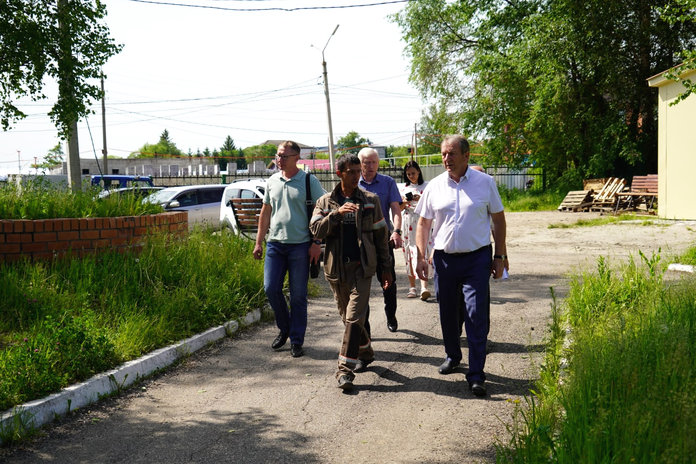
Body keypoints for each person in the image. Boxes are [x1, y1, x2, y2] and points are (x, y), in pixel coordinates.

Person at [415, 135, 508, 397]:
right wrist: (421, 256)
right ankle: (452, 355)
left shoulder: (485, 183)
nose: (447, 159)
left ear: (467, 155)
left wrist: (499, 256)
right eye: (444, 154)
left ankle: (477, 374)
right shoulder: (434, 186)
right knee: (448, 312)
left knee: (476, 315)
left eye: (452, 153)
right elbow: (423, 223)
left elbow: (499, 221)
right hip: (444, 260)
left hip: (476, 259)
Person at [310, 154, 393, 390]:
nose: (357, 176)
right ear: (339, 174)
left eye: (359, 171)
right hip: (336, 271)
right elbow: (315, 229)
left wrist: (386, 270)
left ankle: (344, 371)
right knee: (349, 320)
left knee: (355, 317)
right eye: (351, 172)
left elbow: (381, 237)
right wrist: (336, 215)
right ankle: (365, 351)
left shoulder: (370, 200)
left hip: (362, 269)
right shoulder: (325, 202)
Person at [253, 141, 324, 358]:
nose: (279, 159)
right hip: (275, 244)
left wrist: (316, 243)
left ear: (297, 158)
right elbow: (266, 212)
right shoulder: (273, 180)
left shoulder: (309, 181)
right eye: (278, 155)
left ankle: (296, 340)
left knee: (298, 296)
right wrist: (258, 242)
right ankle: (284, 328)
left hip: (301, 246)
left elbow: (322, 211)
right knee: (270, 288)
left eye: (284, 156)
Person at [357, 147, 402, 333]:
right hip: (360, 243)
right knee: (361, 287)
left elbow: (396, 210)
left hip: (383, 241)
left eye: (374, 162)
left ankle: (391, 315)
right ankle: (364, 327)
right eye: (366, 162)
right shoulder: (354, 184)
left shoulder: (387, 182)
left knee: (388, 282)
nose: (371, 166)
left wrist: (397, 231)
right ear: (360, 163)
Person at [399, 160, 433, 301]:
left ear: (419, 171)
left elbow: (433, 205)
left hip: (423, 222)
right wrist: (405, 202)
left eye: (413, 173)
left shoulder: (428, 187)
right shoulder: (402, 188)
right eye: (408, 174)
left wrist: (420, 200)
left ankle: (424, 286)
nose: (411, 176)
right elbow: (398, 208)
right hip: (408, 223)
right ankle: (412, 286)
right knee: (409, 253)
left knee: (422, 251)